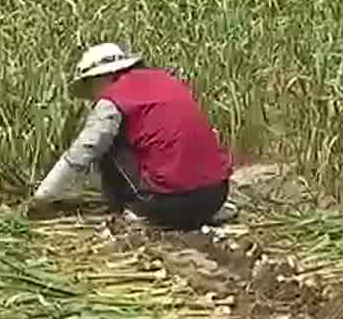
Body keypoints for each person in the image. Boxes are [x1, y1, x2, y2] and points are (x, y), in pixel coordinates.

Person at [25, 43, 236, 229]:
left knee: (108, 143)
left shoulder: (113, 99)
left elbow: (83, 151)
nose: (92, 95)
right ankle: (196, 212)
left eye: (90, 85)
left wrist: (42, 198)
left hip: (166, 205)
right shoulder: (168, 81)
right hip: (216, 196)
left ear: (103, 77)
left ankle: (135, 210)